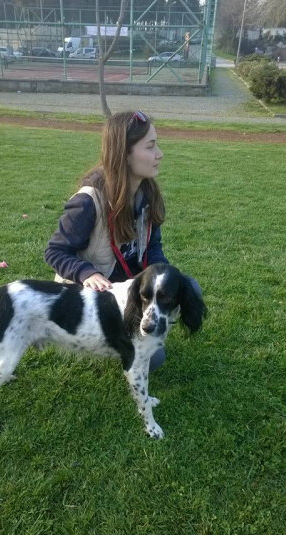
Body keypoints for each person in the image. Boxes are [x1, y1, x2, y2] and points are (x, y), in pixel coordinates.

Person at [45, 110, 200, 370]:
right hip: (97, 295)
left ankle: (141, 330)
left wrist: (165, 275)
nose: (159, 154)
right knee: (153, 360)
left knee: (189, 287)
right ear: (124, 154)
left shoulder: (147, 193)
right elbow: (55, 252)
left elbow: (152, 248)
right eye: (150, 146)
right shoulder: (89, 201)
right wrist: (85, 272)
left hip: (131, 287)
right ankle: (116, 337)